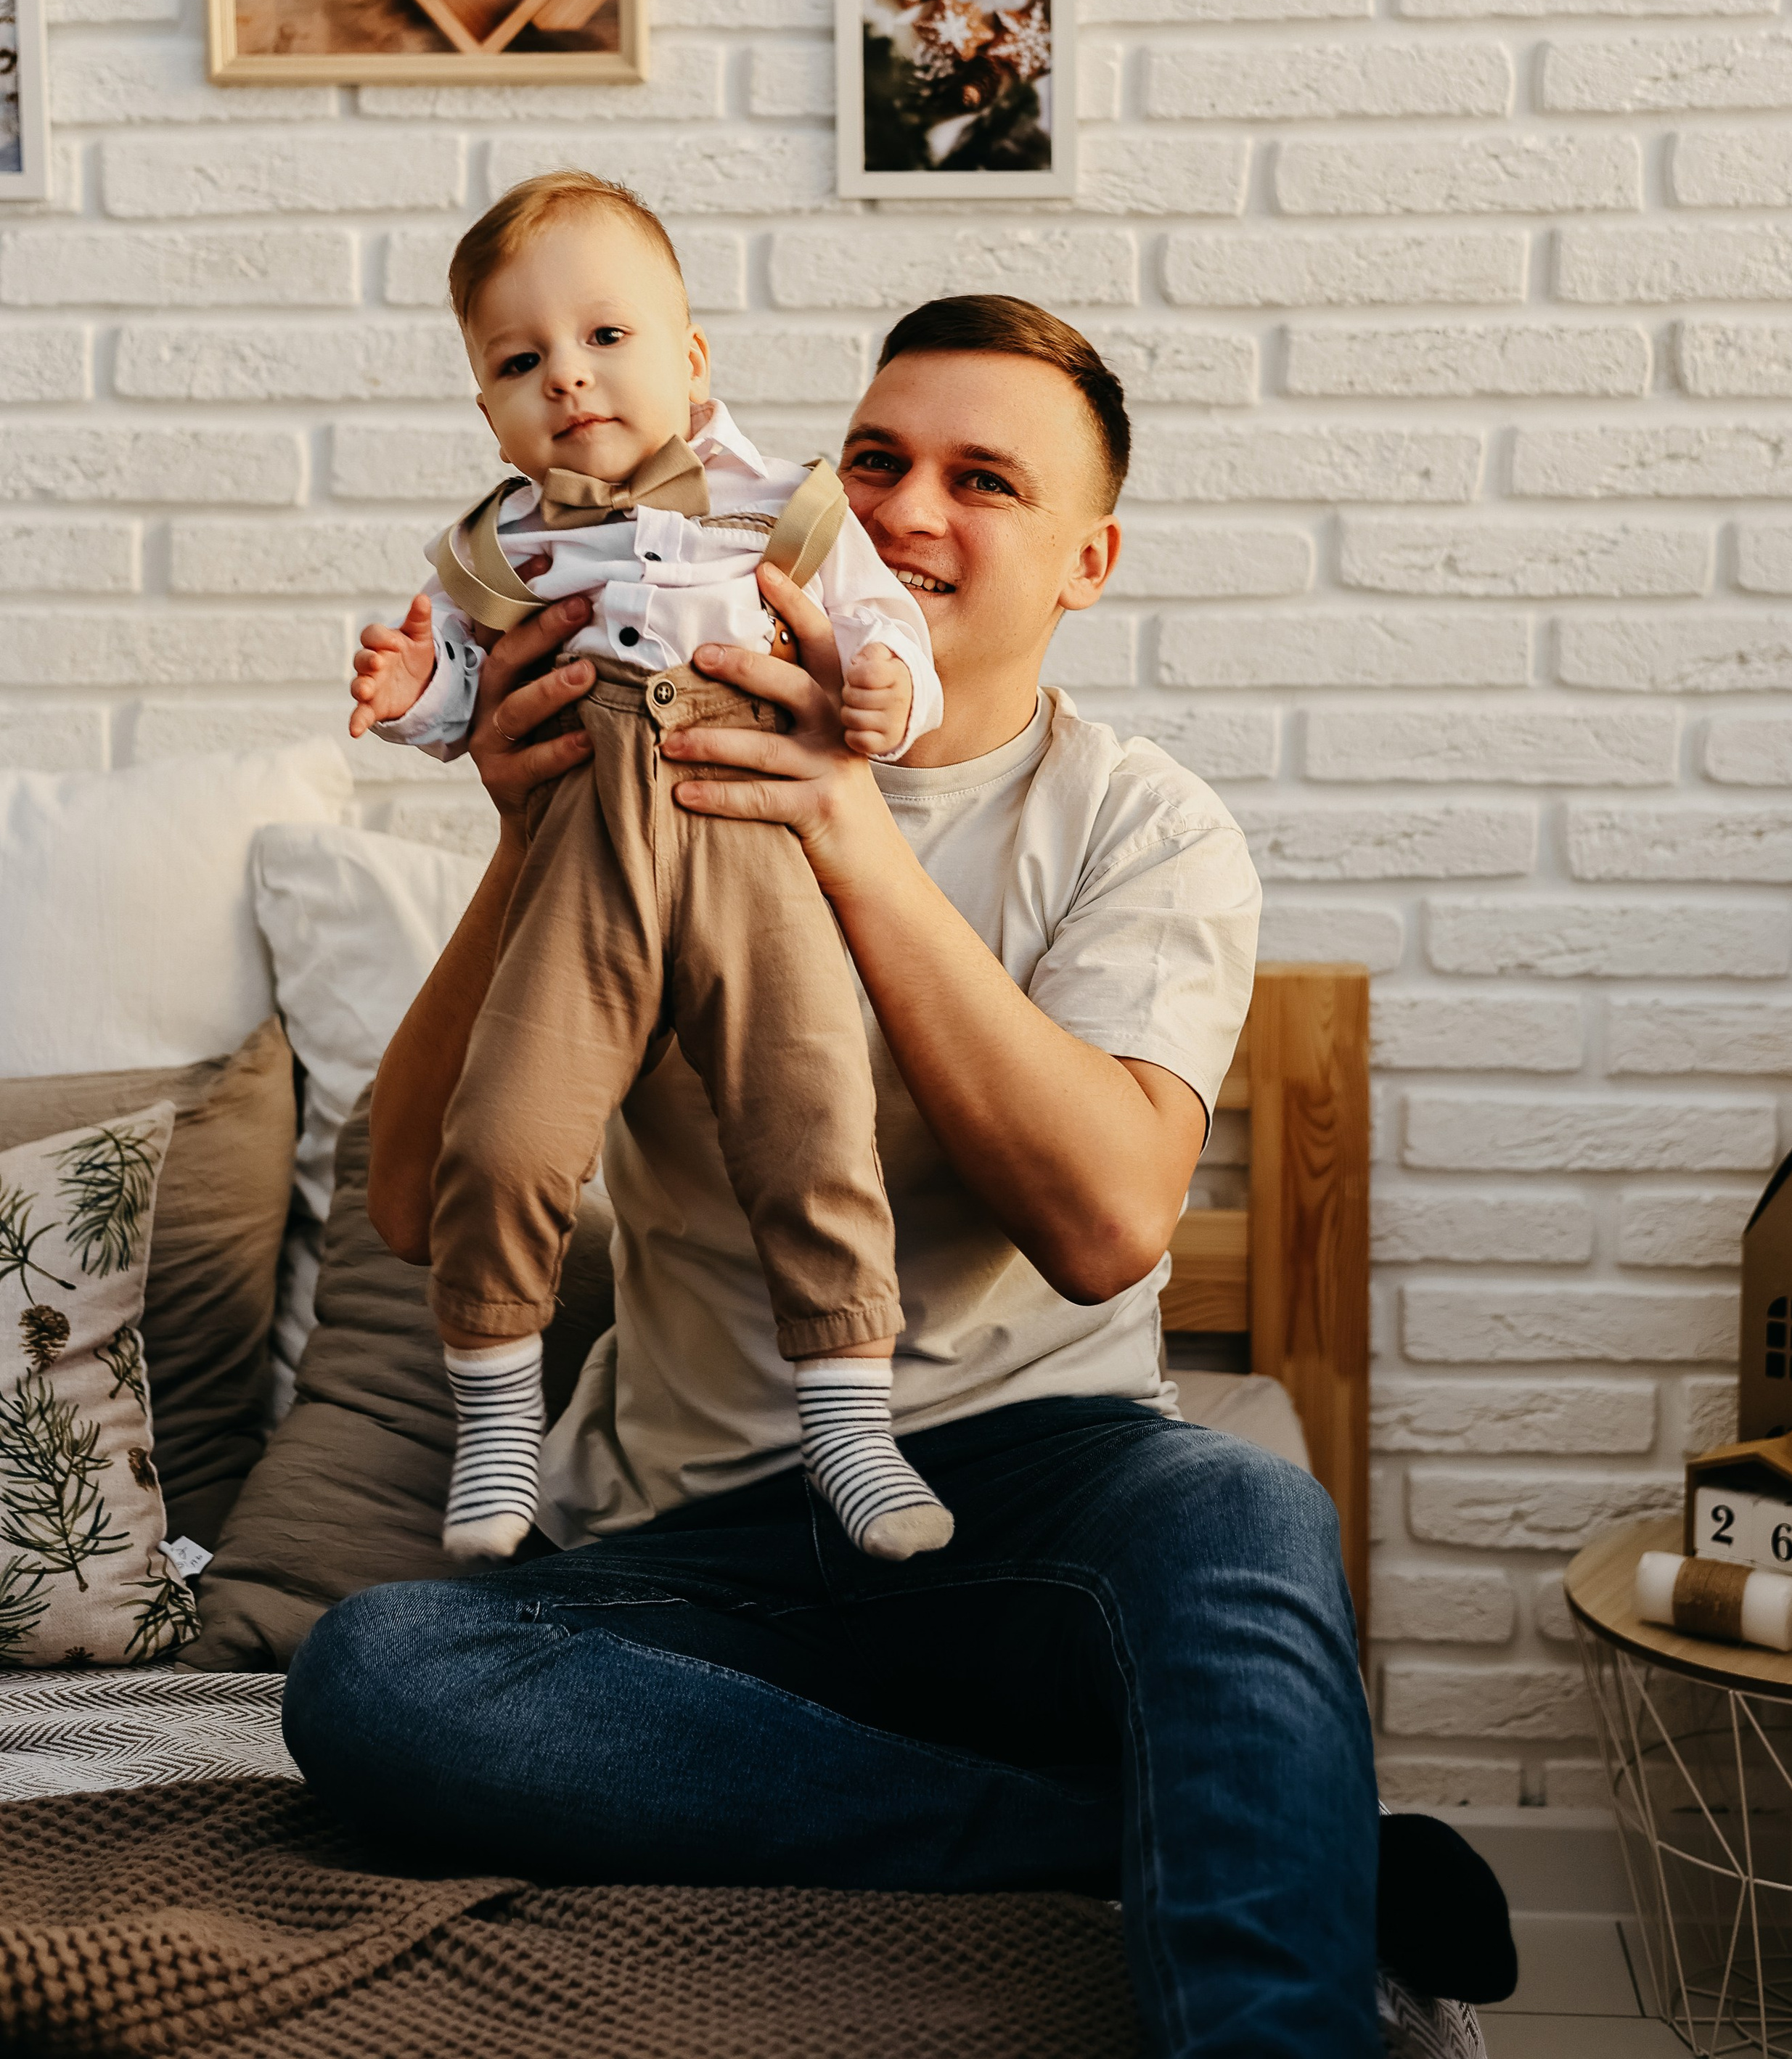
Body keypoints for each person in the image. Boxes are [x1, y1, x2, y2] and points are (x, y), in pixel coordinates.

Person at [285, 291, 1485, 2057]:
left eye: (982, 480)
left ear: (1086, 561)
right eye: (874, 461)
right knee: (378, 1678)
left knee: (1244, 1513)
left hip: (1035, 1503)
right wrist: (538, 839)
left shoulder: (1140, 825)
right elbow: (409, 1209)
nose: (910, 510)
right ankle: (1114, 1828)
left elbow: (1105, 1227)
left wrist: (848, 827)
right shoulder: (658, 761)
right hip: (700, 1546)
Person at [348, 171, 949, 1563]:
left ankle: (850, 1425)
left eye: (606, 337)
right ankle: (499, 1419)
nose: (566, 376)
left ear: (692, 360)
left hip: (753, 855)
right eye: (520, 362)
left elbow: (884, 631)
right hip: (581, 866)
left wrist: (888, 695)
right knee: (504, 1136)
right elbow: (464, 702)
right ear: (487, 411)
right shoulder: (501, 546)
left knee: (814, 1118)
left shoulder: (792, 508)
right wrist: (413, 690)